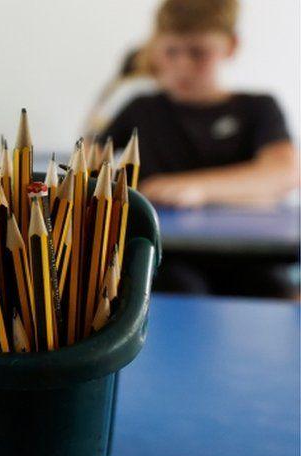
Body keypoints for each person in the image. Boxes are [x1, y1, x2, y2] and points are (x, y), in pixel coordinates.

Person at [98, 0, 299, 297]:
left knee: (278, 294)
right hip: (167, 258)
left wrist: (194, 188)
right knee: (175, 289)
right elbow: (89, 165)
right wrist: (248, 192)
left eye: (198, 52)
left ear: (230, 46)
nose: (182, 65)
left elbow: (284, 173)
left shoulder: (258, 108)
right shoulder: (140, 109)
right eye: (171, 51)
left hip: (248, 256)